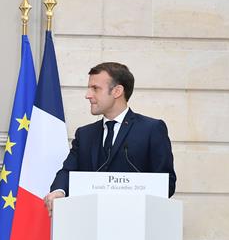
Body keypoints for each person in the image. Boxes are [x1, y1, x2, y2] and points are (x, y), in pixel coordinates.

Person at [45, 62, 175, 214]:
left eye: (95, 89)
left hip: (136, 224)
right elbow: (67, 171)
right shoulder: (85, 134)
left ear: (117, 91)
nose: (87, 95)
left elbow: (167, 182)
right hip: (89, 223)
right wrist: (59, 191)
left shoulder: (151, 129)